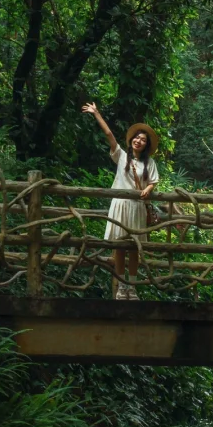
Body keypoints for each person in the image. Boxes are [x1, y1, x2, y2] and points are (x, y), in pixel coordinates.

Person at [81, 102, 159, 299]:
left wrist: (148, 189)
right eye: (136, 138)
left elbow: (153, 181)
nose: (138, 141)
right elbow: (109, 135)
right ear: (131, 140)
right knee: (119, 248)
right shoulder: (122, 156)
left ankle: (131, 287)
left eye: (143, 140)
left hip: (137, 207)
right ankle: (121, 287)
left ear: (146, 145)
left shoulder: (149, 163)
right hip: (120, 205)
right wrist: (96, 113)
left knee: (133, 248)